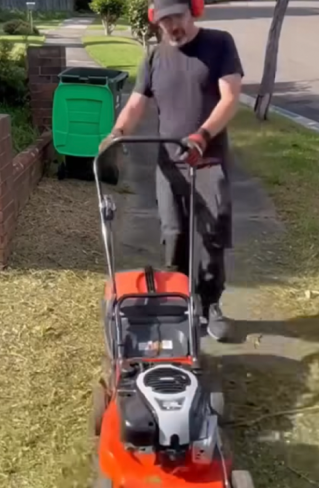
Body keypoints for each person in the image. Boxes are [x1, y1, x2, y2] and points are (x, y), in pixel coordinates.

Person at [101, 0, 244, 342]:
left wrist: (202, 136)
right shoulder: (154, 56)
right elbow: (136, 103)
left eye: (177, 17)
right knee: (174, 235)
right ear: (156, 22)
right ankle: (182, 300)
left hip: (207, 161)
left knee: (211, 240)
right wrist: (117, 134)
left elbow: (230, 97)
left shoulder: (220, 43)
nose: (172, 27)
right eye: (164, 21)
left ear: (193, 10)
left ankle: (211, 305)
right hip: (169, 166)